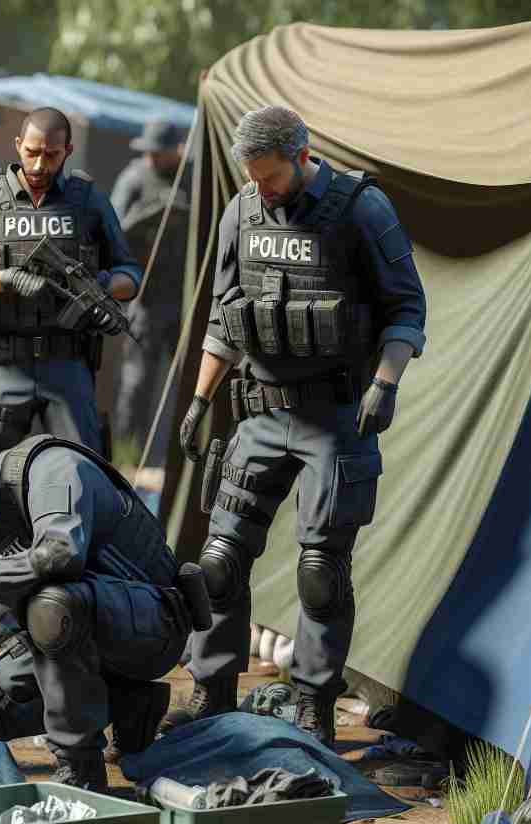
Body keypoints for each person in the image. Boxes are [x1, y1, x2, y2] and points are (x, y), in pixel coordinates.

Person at [171, 105, 427, 745]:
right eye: (252, 177)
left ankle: (315, 702)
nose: (262, 188)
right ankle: (212, 691)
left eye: (272, 175)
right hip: (260, 413)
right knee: (220, 562)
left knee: (320, 569)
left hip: (334, 418)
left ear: (302, 153)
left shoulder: (361, 209)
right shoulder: (241, 212)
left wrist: (385, 382)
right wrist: (201, 400)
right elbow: (228, 318)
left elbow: (406, 306)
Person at [0, 421, 209, 789]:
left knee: (50, 606)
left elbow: (62, 552)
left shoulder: (50, 468)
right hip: (84, 635)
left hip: (155, 624)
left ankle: (80, 767)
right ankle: (130, 702)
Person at [0, 107, 141, 461]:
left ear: (68, 151)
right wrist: (4, 279)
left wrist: (102, 285)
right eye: (31, 152)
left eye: (51, 154)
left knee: (85, 471)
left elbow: (131, 276)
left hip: (68, 366)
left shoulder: (88, 202)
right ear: (17, 145)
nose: (40, 164)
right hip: (3, 369)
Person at [110, 119, 192, 464]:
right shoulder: (133, 178)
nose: (153, 160)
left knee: (186, 383)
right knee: (136, 383)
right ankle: (127, 456)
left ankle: (180, 456)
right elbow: (111, 229)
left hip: (183, 298)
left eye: (159, 153)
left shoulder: (192, 177)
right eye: (149, 153)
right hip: (144, 300)